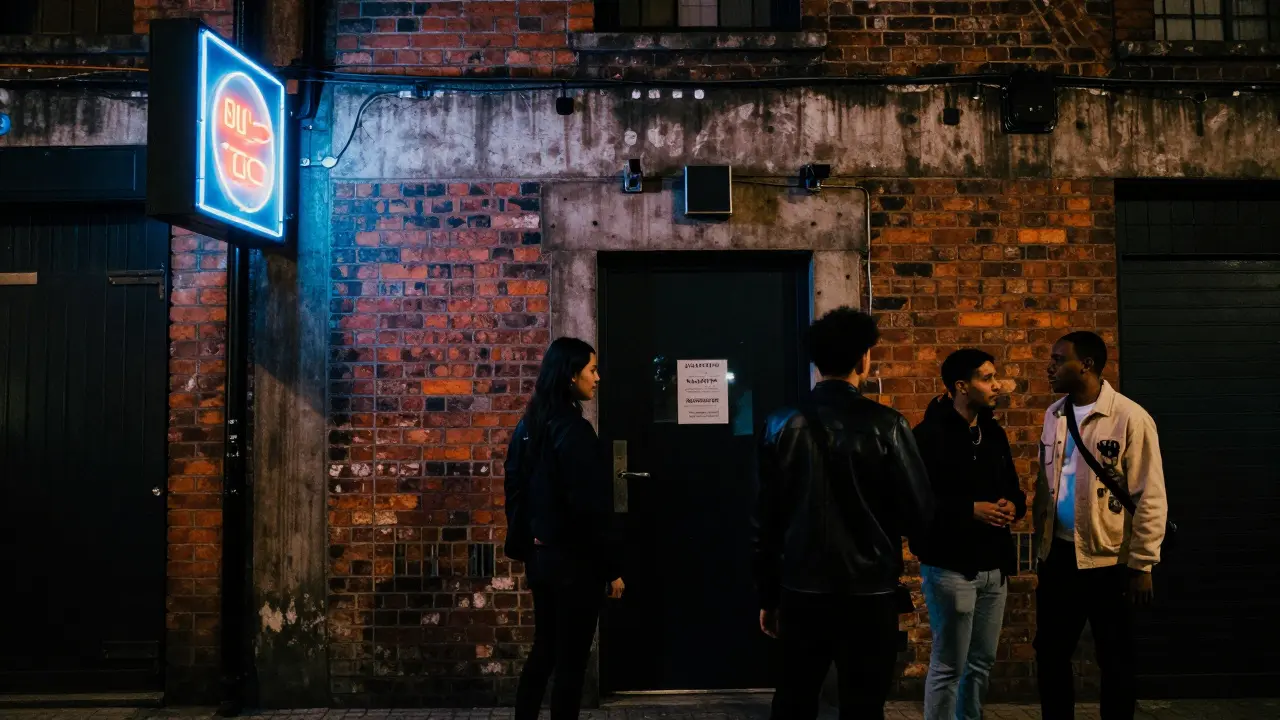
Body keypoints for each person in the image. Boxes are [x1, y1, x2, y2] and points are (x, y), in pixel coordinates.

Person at [752, 307, 935, 720]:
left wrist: (768, 594)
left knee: (794, 701)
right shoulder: (888, 425)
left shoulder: (780, 424)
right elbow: (919, 513)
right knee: (864, 705)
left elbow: (763, 520)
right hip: (869, 593)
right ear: (863, 359)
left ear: (816, 361)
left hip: (800, 588)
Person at [1033, 331, 1168, 720]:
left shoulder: (1129, 417)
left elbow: (1149, 495)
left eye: (1059, 360)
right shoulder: (1054, 415)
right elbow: (1046, 484)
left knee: (1116, 657)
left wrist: (1142, 564)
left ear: (1086, 365)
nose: (1050, 367)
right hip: (1060, 555)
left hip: (1110, 561)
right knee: (1051, 653)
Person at [503, 337, 624, 720]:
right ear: (572, 375)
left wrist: (528, 542)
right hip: (575, 563)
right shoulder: (573, 430)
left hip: (542, 559)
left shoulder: (530, 425)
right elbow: (589, 507)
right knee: (571, 662)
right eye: (592, 370)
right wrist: (612, 569)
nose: (597, 378)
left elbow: (514, 489)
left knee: (545, 649)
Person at [912, 349, 1027, 720]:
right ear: (961, 386)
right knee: (949, 665)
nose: (997, 385)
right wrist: (968, 509)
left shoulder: (993, 433)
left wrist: (1013, 505)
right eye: (987, 378)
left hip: (994, 566)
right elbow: (917, 504)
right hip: (951, 567)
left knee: (981, 662)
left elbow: (1014, 489)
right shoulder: (928, 436)